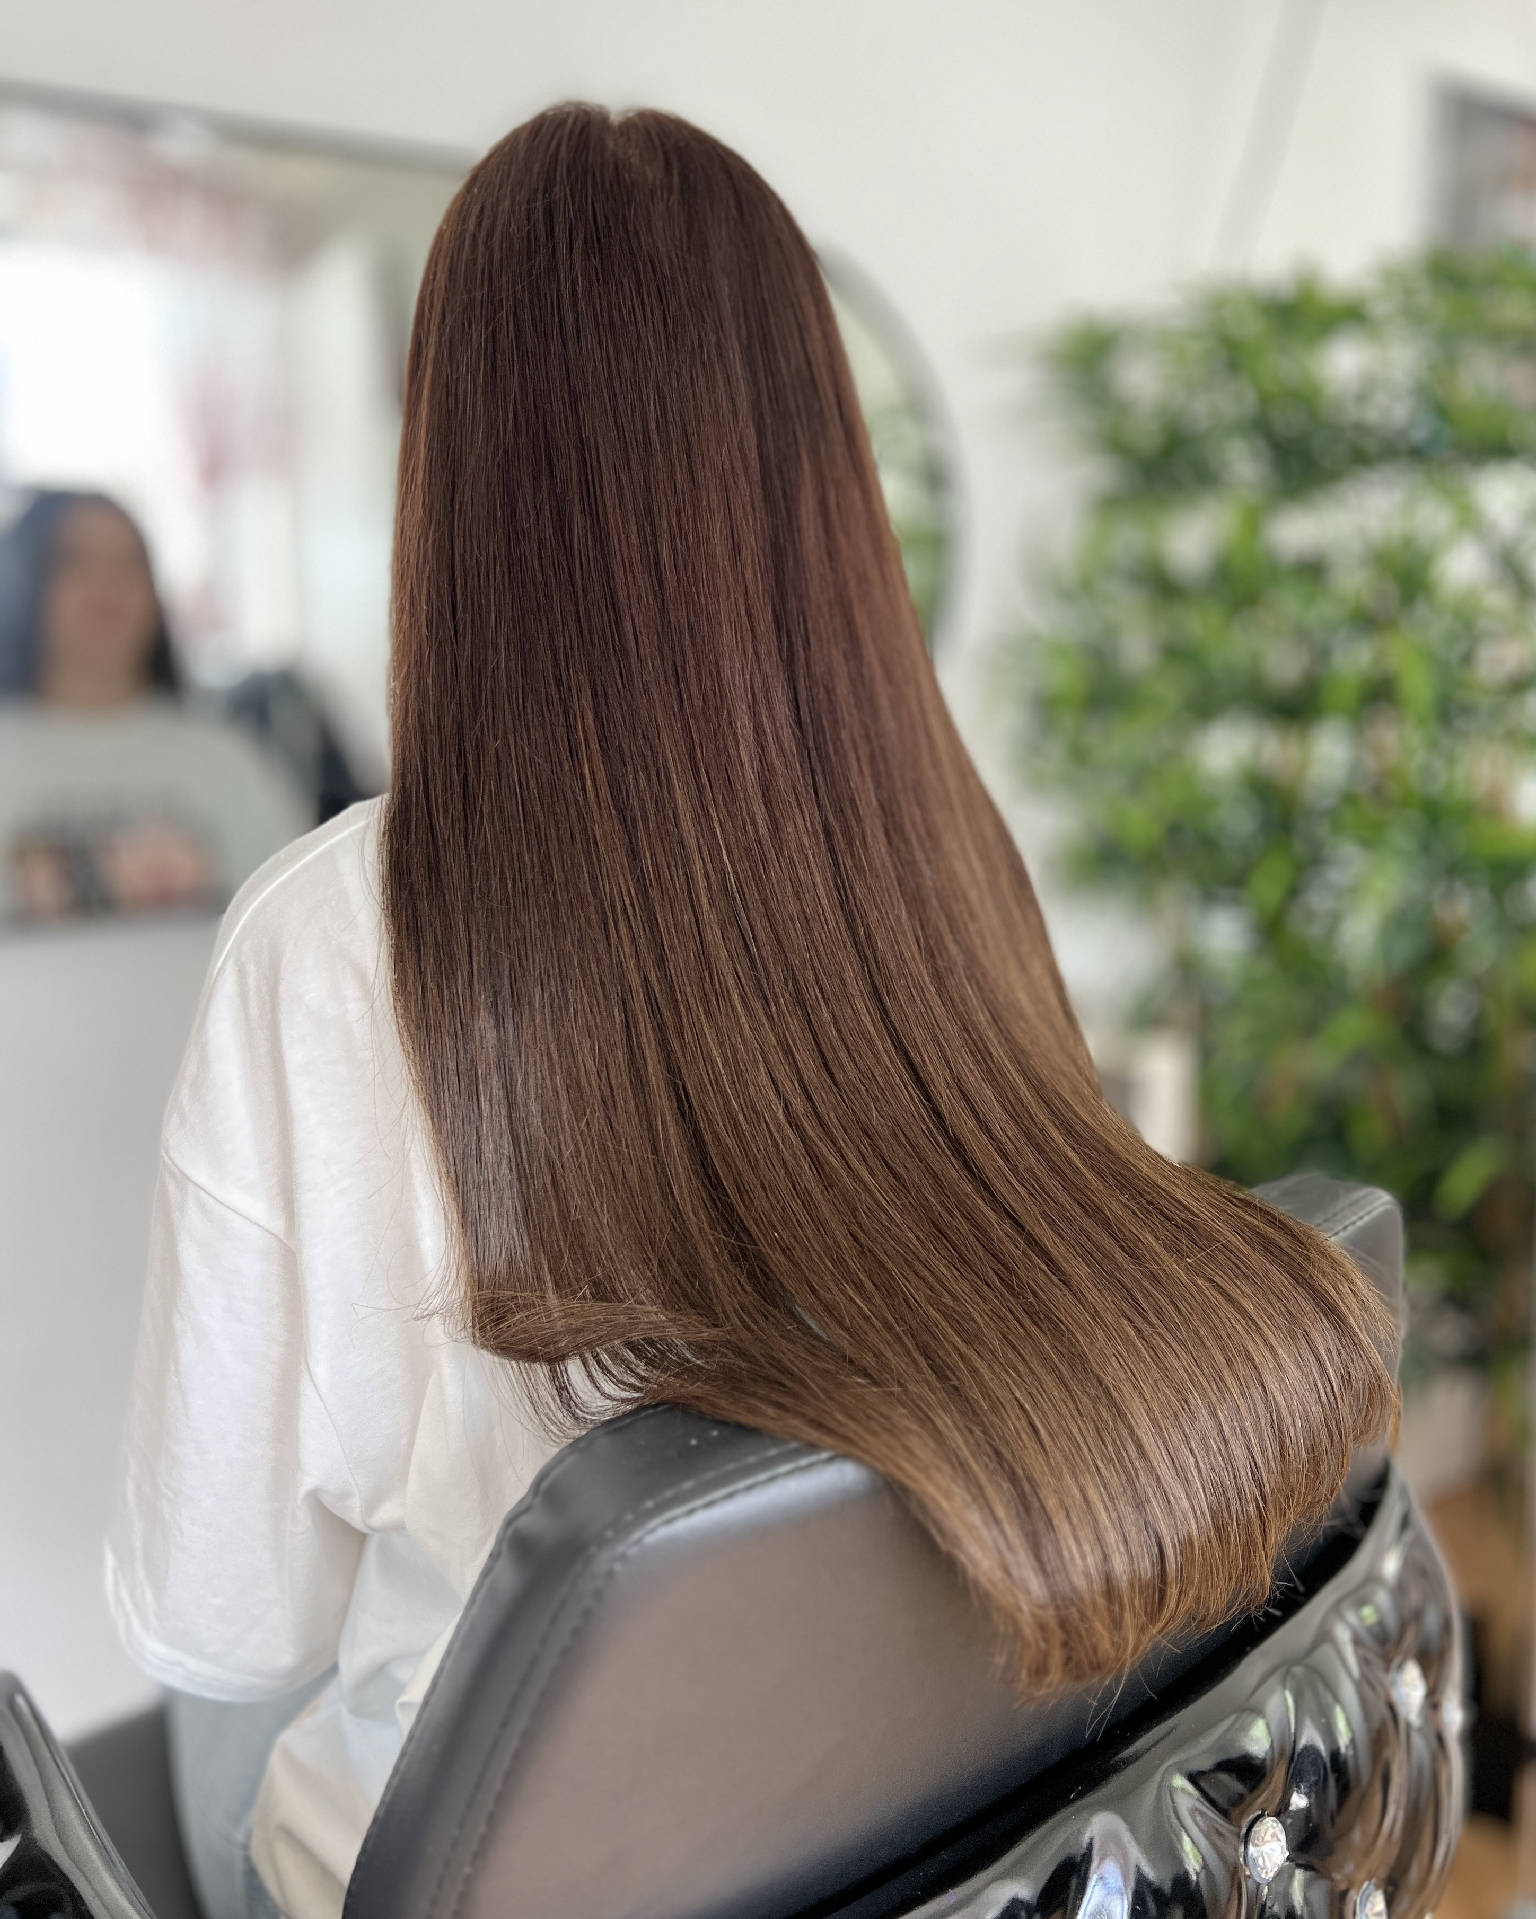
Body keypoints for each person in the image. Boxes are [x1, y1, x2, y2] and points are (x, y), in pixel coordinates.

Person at [104, 106, 1399, 1919]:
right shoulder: (949, 852)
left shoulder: (323, 938)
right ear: (821, 458)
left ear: (452, 462)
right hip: (930, 1815)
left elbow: (224, 1623)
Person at [0, 490, 311, 924]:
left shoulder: (226, 758)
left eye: (129, 562)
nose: (106, 583)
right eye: (75, 560)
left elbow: (298, 920)